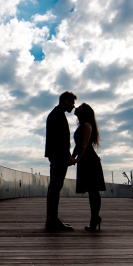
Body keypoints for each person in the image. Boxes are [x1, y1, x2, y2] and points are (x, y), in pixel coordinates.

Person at [44, 91, 77, 231]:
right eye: (72, 102)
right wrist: (67, 156)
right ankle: (52, 220)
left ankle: (52, 219)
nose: (73, 106)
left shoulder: (56, 113)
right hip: (59, 157)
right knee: (55, 187)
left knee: (54, 187)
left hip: (56, 156)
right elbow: (60, 140)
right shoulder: (57, 115)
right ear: (65, 101)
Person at [72, 103, 106, 232]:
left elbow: (84, 144)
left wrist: (77, 159)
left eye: (80, 107)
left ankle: (94, 219)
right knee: (92, 191)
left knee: (93, 190)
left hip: (89, 160)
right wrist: (72, 157)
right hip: (86, 160)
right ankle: (94, 218)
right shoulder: (82, 125)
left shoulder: (86, 125)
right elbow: (79, 145)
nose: (77, 107)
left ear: (84, 112)